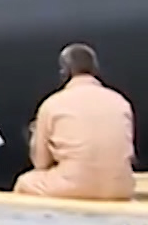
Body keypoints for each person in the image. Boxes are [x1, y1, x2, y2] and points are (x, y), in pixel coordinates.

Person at [13, 43, 136, 200]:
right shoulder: (121, 102)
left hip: (74, 186)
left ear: (64, 72)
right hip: (120, 188)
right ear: (96, 70)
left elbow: (41, 163)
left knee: (24, 182)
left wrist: (35, 137)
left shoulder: (52, 104)